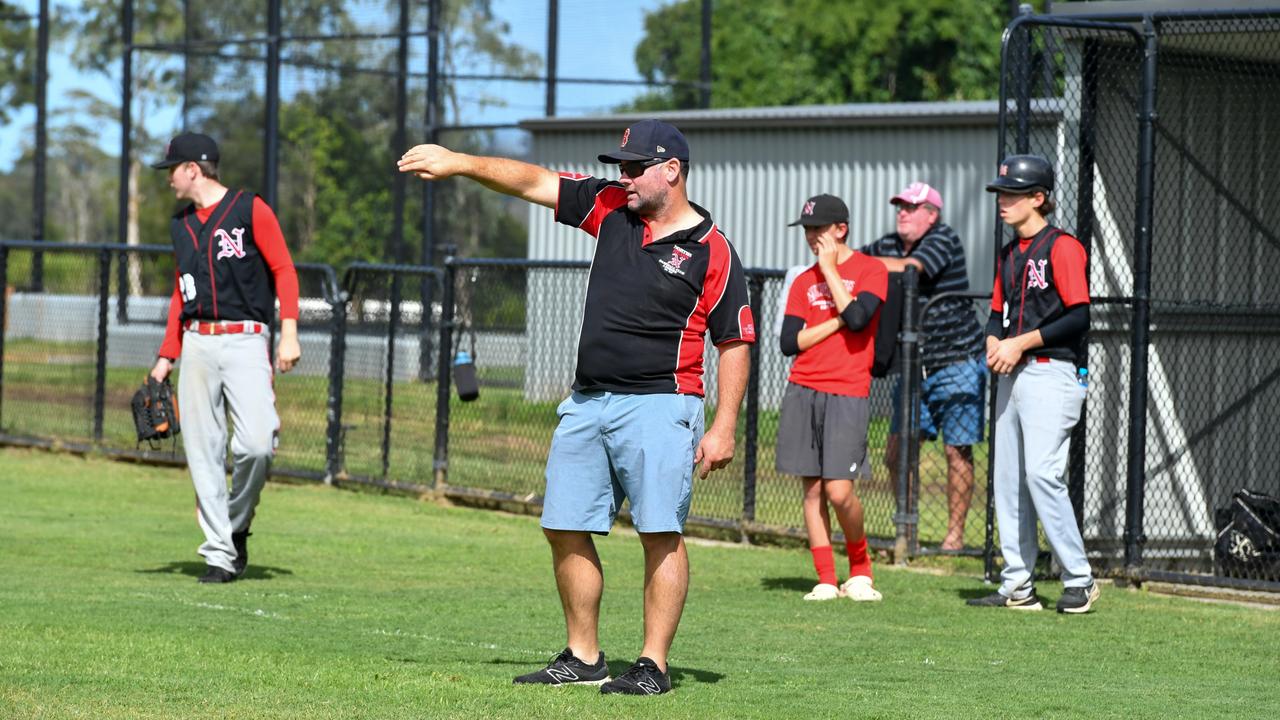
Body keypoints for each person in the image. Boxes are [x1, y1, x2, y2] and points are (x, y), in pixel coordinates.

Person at [399, 119, 755, 695]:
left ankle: (653, 665)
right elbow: (533, 180)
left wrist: (724, 426)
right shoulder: (611, 207)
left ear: (673, 171)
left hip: (662, 406)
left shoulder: (711, 250)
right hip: (587, 403)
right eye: (621, 165)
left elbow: (735, 341)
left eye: (637, 167)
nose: (625, 176)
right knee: (563, 525)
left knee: (659, 531)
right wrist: (460, 161)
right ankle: (584, 655)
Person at [148, 132, 301, 585]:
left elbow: (284, 270)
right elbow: (182, 292)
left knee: (256, 444)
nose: (169, 178)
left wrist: (288, 333)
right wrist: (165, 357)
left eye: (172, 169)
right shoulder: (180, 224)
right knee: (203, 452)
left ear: (193, 168)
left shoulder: (250, 209)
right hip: (196, 341)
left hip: (246, 339)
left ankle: (236, 526)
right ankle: (219, 553)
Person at [966, 154, 1099, 614]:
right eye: (1001, 193)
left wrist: (1018, 343)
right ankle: (1017, 584)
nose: (1002, 201)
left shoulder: (1063, 247)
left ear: (1038, 198)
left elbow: (1079, 316)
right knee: (1007, 480)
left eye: (1012, 193)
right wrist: (992, 340)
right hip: (1012, 373)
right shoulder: (1008, 254)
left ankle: (1079, 578)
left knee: (1042, 474)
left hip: (1051, 371)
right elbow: (995, 311)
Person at [861, 182, 987, 551]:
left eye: (912, 207)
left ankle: (954, 538)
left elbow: (912, 271)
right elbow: (854, 261)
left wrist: (862, 265)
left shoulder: (943, 238)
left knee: (957, 451)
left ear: (931, 215)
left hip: (956, 361)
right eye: (900, 205)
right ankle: (908, 529)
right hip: (912, 367)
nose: (902, 211)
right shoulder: (887, 245)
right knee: (897, 452)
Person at [776, 194, 888, 603]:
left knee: (840, 491)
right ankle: (825, 577)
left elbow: (860, 320)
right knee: (811, 490)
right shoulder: (803, 281)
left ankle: (860, 568)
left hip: (848, 391)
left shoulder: (871, 269)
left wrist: (830, 271)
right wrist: (839, 319)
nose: (811, 237)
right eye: (807, 229)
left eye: (818, 229)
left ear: (840, 229)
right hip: (804, 386)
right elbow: (790, 342)